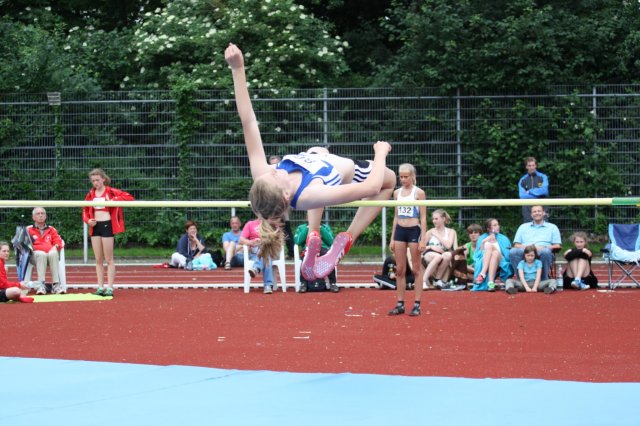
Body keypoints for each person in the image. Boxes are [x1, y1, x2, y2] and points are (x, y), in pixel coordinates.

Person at [225, 43, 396, 282]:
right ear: (285, 196)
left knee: (315, 165)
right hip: (354, 172)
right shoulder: (306, 195)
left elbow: (248, 121)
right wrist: (380, 152)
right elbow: (371, 188)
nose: (272, 169)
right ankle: (347, 238)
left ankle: (313, 234)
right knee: (390, 182)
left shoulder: (264, 176)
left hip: (318, 165)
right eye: (274, 175)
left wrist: (237, 68)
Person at [82, 168, 135, 297]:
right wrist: (88, 220)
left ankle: (110, 287)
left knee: (109, 258)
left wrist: (113, 200)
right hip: (95, 227)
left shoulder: (111, 191)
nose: (95, 183)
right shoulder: (90, 194)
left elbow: (129, 198)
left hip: (107, 225)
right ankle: (100, 287)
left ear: (103, 179)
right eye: (93, 181)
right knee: (98, 259)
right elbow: (84, 211)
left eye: (97, 180)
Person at [388, 163, 427, 316]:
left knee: (416, 269)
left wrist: (423, 238)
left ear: (412, 176)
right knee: (400, 270)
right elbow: (396, 217)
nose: (403, 179)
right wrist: (392, 238)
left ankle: (417, 303)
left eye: (406, 177)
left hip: (413, 230)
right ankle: (400, 303)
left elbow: (423, 217)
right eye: (401, 177)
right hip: (400, 231)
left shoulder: (419, 193)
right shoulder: (397, 193)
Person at [509, 205, 561, 281]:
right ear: (531, 214)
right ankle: (521, 280)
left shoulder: (553, 227)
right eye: (534, 211)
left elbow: (557, 246)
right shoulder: (523, 227)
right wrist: (528, 247)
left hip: (543, 250)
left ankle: (543, 280)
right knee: (513, 251)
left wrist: (544, 247)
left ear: (544, 213)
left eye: (539, 211)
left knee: (545, 252)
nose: (537, 213)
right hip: (525, 250)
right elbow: (516, 245)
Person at [27, 207, 65, 294]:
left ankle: (56, 285)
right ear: (33, 217)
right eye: (38, 213)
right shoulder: (28, 230)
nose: (40, 215)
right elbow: (25, 244)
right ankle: (41, 285)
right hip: (35, 256)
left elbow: (58, 242)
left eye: (42, 213)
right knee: (41, 254)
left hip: (50, 255)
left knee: (54, 253)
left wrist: (55, 247)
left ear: (46, 216)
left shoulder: (52, 229)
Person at [294, 223, 338, 293]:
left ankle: (333, 283)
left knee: (329, 258)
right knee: (306, 257)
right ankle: (303, 283)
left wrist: (320, 228)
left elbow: (331, 242)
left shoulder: (325, 227)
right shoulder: (301, 227)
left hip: (323, 249)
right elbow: (297, 241)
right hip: (308, 249)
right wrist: (308, 228)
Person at [471, 218, 512, 292]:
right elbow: (478, 255)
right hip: (486, 259)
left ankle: (482, 274)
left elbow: (507, 255)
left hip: (501, 260)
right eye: (495, 225)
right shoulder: (482, 238)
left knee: (493, 249)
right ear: (489, 228)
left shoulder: (503, 238)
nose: (498, 226)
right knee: (494, 252)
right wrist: (484, 241)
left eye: (498, 225)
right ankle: (491, 283)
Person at [421, 209, 458, 290]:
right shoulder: (430, 232)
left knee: (448, 255)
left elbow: (448, 246)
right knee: (438, 257)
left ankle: (437, 280)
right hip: (430, 252)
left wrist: (437, 235)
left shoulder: (451, 231)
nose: (434, 221)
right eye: (433, 219)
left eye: (436, 219)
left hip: (443, 252)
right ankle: (423, 281)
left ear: (443, 219)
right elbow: (421, 247)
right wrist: (431, 247)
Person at [239, 217, 277, 294]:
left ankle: (256, 268)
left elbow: (277, 238)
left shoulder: (271, 223)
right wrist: (251, 242)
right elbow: (241, 240)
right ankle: (268, 285)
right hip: (254, 252)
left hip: (269, 249)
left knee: (265, 251)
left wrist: (266, 241)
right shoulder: (250, 224)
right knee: (265, 255)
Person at [268, 155, 295, 259]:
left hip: (282, 207)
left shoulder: (285, 175)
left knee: (286, 230)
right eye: (272, 164)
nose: (274, 166)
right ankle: (273, 252)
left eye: (276, 163)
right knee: (271, 230)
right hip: (271, 207)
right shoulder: (268, 176)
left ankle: (291, 253)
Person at [518, 156, 549, 222]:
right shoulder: (522, 180)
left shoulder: (543, 177)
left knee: (544, 229)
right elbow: (522, 196)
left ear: (536, 166)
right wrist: (538, 194)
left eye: (533, 165)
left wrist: (530, 191)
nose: (531, 167)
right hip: (527, 210)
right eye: (529, 165)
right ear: (526, 167)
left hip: (542, 208)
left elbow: (544, 191)